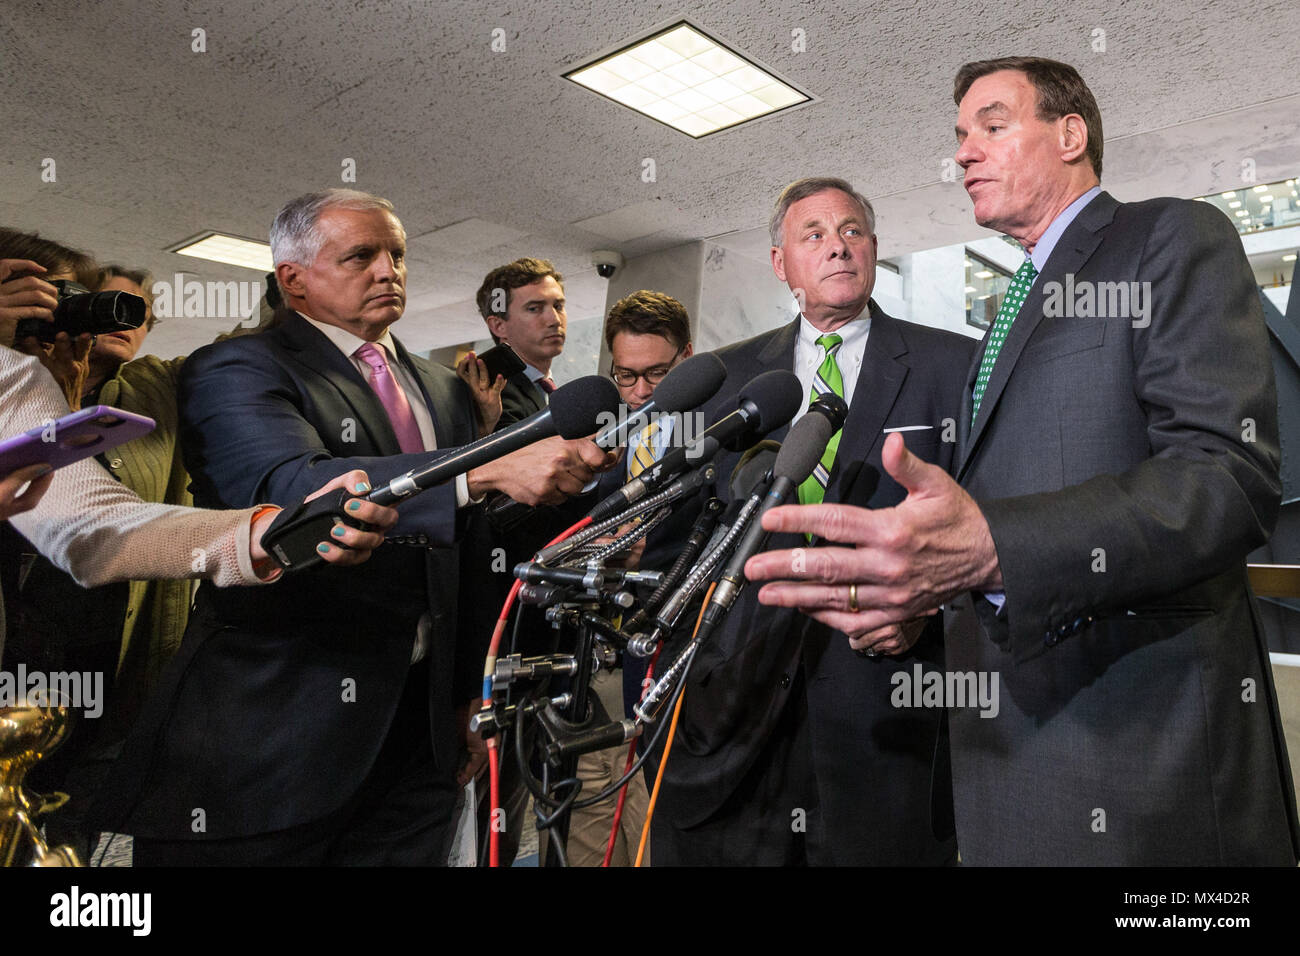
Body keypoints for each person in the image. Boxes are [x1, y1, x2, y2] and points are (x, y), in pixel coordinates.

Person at [745, 58, 1300, 865]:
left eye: (992, 126)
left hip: (1138, 764)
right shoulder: (1007, 312)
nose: (965, 152)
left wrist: (994, 548)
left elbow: (1228, 475)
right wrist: (927, 598)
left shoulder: (1169, 237)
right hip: (1007, 767)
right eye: (961, 136)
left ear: (1070, 134)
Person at [91, 189, 612, 865]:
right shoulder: (235, 367)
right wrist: (481, 470)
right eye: (361, 255)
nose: (387, 269)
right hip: (270, 740)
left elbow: (467, 550)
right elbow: (289, 488)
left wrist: (466, 698)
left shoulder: (446, 387)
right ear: (293, 279)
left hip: (417, 744)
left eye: (396, 254)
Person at [651, 178, 974, 866]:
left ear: (875, 250)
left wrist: (927, 608)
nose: (838, 247)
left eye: (852, 231)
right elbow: (681, 545)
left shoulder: (955, 365)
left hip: (888, 716)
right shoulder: (726, 377)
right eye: (815, 235)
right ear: (781, 264)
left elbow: (989, 527)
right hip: (737, 724)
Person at [465, 257, 567, 429]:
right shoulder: (490, 395)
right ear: (499, 326)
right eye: (534, 308)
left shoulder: (548, 392)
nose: (555, 320)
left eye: (558, 306)